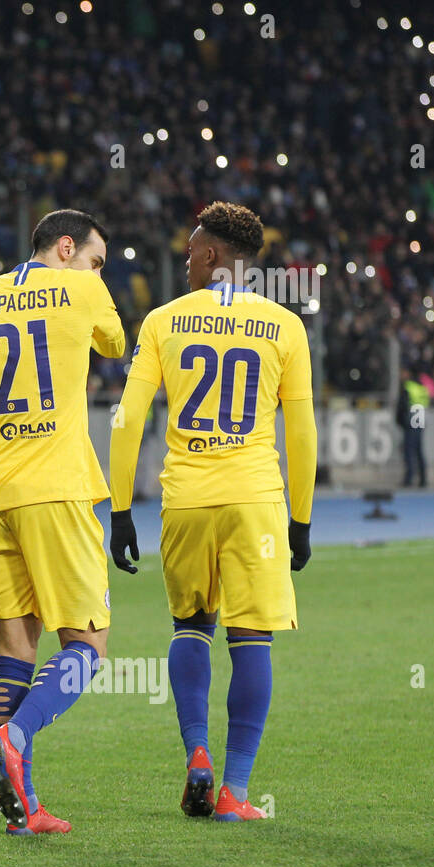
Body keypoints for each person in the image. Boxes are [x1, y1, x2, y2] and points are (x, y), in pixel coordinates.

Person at [109, 201, 317, 822]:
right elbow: (301, 430)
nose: (185, 259)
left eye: (190, 250)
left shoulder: (163, 321)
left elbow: (128, 420)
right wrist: (300, 520)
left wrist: (120, 508)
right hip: (255, 501)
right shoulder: (283, 324)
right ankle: (235, 792)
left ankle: (196, 752)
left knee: (191, 627)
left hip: (186, 499)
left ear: (210, 256)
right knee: (252, 638)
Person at [0, 208, 125, 835]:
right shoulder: (84, 287)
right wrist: (89, 288)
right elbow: (116, 344)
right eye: (96, 258)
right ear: (66, 248)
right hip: (58, 488)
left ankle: (24, 808)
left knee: (16, 647)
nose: (99, 270)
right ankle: (15, 737)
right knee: (88, 645)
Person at [396, 366, 429, 487]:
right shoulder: (422, 388)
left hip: (412, 417)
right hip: (420, 416)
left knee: (409, 449)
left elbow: (402, 406)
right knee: (419, 449)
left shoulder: (408, 386)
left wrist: (400, 420)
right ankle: (423, 478)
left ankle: (409, 478)